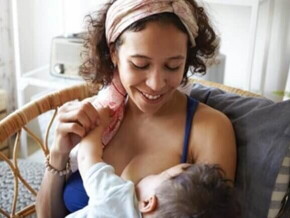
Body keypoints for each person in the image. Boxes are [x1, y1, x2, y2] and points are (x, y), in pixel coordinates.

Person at [36, 0, 237, 217]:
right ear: (114, 53)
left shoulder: (209, 129)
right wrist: (59, 152)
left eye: (173, 66)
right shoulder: (97, 113)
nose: (156, 83)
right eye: (140, 64)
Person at [67, 108, 240, 218]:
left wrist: (99, 125)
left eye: (159, 174)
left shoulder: (118, 197)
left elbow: (86, 157)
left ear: (148, 202)